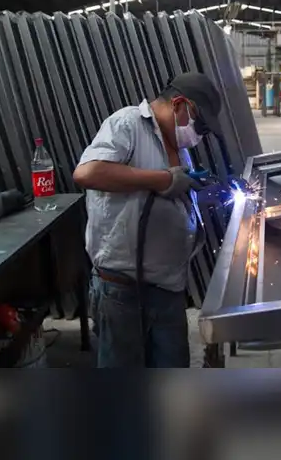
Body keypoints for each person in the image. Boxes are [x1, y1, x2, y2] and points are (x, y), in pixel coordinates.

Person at [72, 72, 223, 368]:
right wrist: (163, 179)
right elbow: (87, 173)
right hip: (123, 290)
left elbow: (169, 193)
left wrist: (199, 193)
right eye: (200, 125)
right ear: (179, 104)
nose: (198, 135)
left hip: (169, 287)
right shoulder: (128, 123)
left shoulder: (177, 147)